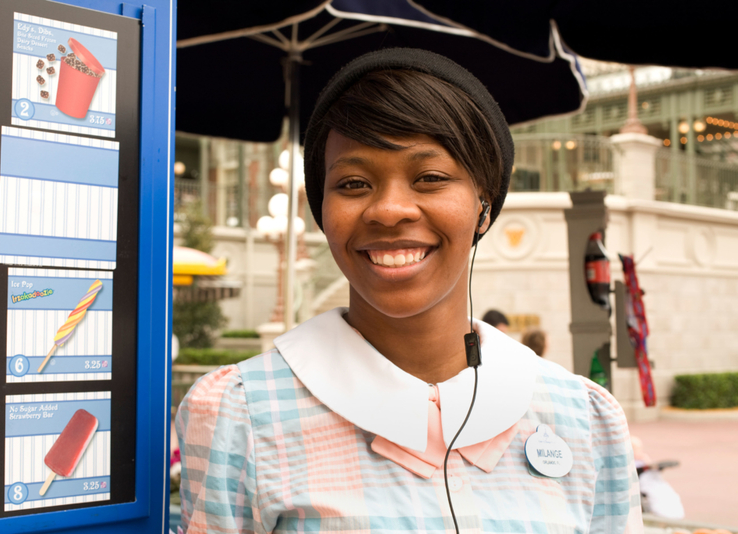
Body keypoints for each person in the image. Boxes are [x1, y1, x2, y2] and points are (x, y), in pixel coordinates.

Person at [176, 48, 642, 534]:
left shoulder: (586, 418)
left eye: (430, 178)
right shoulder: (240, 413)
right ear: (322, 212)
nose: (390, 209)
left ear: (485, 205)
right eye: (353, 183)